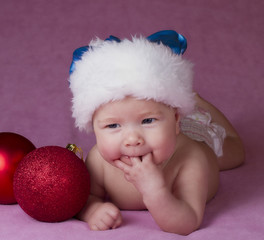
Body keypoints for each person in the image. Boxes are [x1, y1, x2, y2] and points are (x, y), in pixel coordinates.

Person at [68, 31, 245, 235]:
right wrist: (92, 210)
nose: (132, 139)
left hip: (202, 142)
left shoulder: (191, 159)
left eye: (148, 121)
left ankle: (197, 102)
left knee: (234, 151)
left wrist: (155, 191)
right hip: (172, 128)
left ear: (176, 121)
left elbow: (188, 221)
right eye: (113, 126)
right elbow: (82, 198)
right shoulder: (98, 160)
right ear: (94, 128)